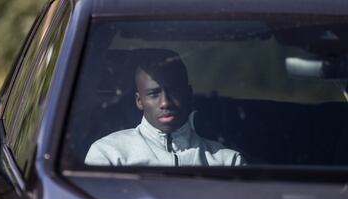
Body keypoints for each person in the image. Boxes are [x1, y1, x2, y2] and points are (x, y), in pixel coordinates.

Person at [85, 49, 242, 166]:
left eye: (174, 91)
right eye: (153, 94)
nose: (165, 103)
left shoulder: (228, 161)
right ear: (139, 101)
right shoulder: (108, 155)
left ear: (189, 94)